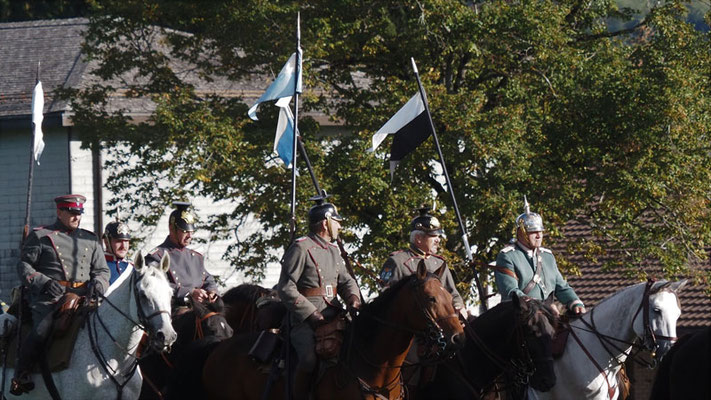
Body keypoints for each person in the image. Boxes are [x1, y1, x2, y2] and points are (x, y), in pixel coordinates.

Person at [11, 194, 110, 394]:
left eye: (79, 213)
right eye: (72, 213)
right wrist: (43, 283)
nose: (76, 217)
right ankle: (21, 374)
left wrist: (98, 285)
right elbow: (24, 266)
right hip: (50, 297)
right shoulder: (41, 236)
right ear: (59, 212)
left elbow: (102, 271)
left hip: (83, 295)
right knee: (41, 330)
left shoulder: (89, 239)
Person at [277, 196, 361, 400]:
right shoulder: (301, 247)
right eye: (337, 222)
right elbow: (286, 288)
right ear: (326, 223)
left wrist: (353, 298)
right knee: (308, 359)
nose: (339, 226)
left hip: (335, 313)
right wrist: (311, 314)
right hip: (305, 319)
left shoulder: (333, 249)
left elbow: (346, 280)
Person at [495, 197, 585, 314]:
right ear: (521, 233)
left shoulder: (547, 256)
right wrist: (540, 307)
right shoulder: (508, 256)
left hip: (549, 315)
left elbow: (561, 286)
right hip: (523, 317)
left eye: (540, 231)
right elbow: (511, 292)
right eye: (533, 232)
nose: (538, 236)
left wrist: (574, 301)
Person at [379, 207, 466, 317]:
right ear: (418, 238)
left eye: (438, 236)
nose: (438, 240)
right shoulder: (397, 261)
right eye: (433, 236)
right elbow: (386, 297)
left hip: (442, 322)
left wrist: (459, 307)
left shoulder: (439, 263)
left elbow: (453, 293)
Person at [146, 201, 218, 313]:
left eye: (191, 232)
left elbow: (208, 279)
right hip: (172, 312)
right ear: (172, 229)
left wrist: (212, 292)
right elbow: (154, 283)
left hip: (200, 310)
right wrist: (190, 292)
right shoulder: (157, 256)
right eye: (185, 231)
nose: (190, 236)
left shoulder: (196, 257)